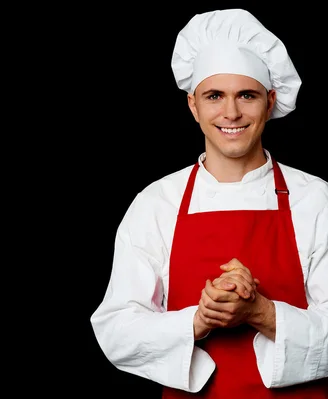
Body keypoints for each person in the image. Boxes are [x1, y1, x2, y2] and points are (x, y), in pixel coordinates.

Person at [89, 8, 328, 398]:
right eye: (214, 96)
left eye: (246, 95)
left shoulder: (316, 199)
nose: (230, 113)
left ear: (269, 102)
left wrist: (261, 313)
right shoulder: (156, 203)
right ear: (193, 105)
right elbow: (116, 329)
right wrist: (198, 321)